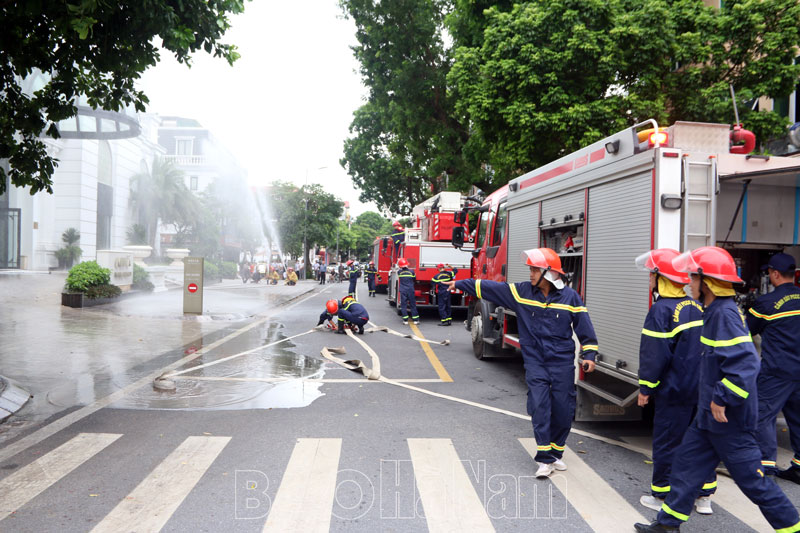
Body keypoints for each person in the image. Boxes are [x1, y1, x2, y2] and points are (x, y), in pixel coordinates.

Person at [635, 246, 800, 533]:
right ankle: (667, 525)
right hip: (708, 416)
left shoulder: (723, 314)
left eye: (693, 278)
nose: (688, 282)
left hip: (729, 420)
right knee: (687, 466)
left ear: (706, 281)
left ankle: (791, 526)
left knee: (754, 481)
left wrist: (723, 398)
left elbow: (746, 364)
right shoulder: (713, 311)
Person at [444, 248, 598, 478]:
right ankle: (544, 458)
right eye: (531, 269)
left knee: (564, 408)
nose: (531, 273)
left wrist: (589, 354)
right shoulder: (522, 292)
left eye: (535, 269)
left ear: (550, 273)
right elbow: (490, 288)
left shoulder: (571, 298)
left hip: (562, 361)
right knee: (539, 404)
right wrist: (460, 283)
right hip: (535, 360)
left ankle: (556, 453)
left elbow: (585, 328)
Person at [634, 248, 716, 515]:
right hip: (701, 389)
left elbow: (654, 356)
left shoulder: (660, 310)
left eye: (651, 275)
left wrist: (646, 388)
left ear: (661, 278)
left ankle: (662, 495)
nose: (648, 280)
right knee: (701, 441)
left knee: (669, 440)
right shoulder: (697, 305)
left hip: (675, 390)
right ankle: (704, 496)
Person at [747, 252, 800, 483]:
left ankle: (765, 465)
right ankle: (798, 468)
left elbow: (747, 330)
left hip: (777, 372)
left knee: (762, 415)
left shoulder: (766, 303)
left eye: (769, 272)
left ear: (775, 274)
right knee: (797, 418)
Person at [397, 258, 418, 325]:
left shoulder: (399, 272)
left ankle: (405, 320)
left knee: (403, 305)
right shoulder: (412, 271)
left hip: (403, 290)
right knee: (412, 305)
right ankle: (415, 320)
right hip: (410, 289)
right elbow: (414, 279)